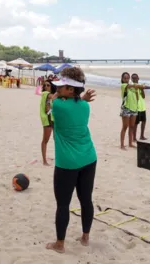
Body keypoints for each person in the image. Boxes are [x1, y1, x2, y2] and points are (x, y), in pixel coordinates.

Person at [45, 67, 97, 254]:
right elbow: (73, 104)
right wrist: (80, 98)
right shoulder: (85, 106)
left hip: (67, 162)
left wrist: (58, 96)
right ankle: (85, 237)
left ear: (70, 90)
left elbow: (51, 100)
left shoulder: (58, 105)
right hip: (89, 157)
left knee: (63, 204)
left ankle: (60, 244)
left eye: (61, 87)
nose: (56, 89)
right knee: (86, 200)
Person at [119, 72, 147, 149]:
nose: (126, 79)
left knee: (132, 126)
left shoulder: (133, 86)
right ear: (122, 79)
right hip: (126, 108)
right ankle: (122, 144)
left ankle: (130, 143)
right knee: (125, 127)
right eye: (125, 78)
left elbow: (138, 95)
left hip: (134, 108)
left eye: (127, 78)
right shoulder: (123, 85)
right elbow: (134, 86)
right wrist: (144, 86)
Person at [131, 73, 150, 141]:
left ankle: (142, 136)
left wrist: (142, 89)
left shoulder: (140, 87)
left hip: (142, 106)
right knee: (136, 123)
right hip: (136, 107)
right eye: (133, 78)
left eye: (136, 78)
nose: (135, 79)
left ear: (138, 78)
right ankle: (134, 138)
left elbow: (143, 96)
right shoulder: (132, 86)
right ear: (131, 79)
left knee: (144, 121)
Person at [40, 80, 57, 166]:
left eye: (48, 85)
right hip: (47, 119)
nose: (46, 87)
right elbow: (53, 96)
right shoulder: (44, 94)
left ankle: (57, 157)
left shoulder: (52, 96)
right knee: (45, 140)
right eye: (45, 85)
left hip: (54, 119)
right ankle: (44, 160)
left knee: (56, 139)